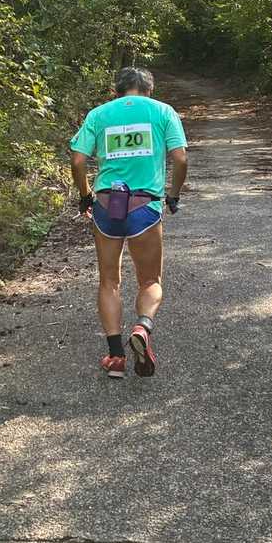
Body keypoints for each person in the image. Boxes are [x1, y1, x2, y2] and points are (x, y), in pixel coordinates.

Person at [69, 67, 188, 378]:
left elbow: (78, 160)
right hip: (144, 206)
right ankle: (142, 327)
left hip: (107, 205)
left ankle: (116, 357)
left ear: (116, 90)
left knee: (109, 281)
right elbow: (180, 158)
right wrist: (173, 195)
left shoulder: (99, 114)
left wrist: (85, 196)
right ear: (149, 90)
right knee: (150, 282)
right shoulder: (163, 111)